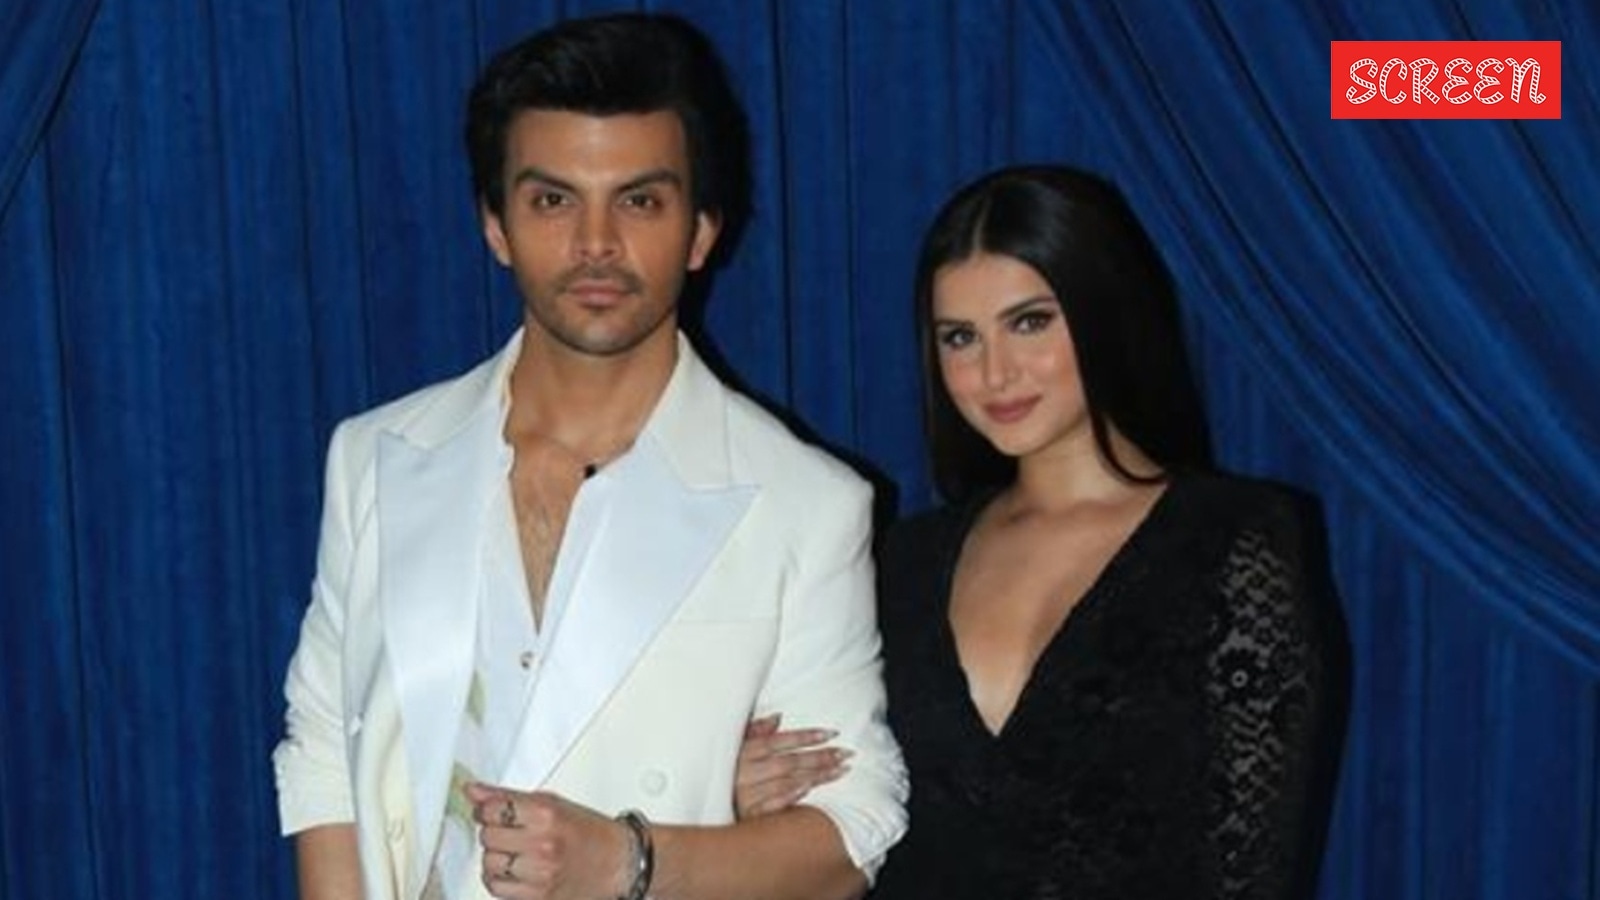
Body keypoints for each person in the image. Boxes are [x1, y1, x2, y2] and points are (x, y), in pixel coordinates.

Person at [272, 13, 907, 900]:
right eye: (553, 200)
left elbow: (852, 832)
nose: (596, 243)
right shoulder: (376, 456)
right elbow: (323, 751)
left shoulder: (805, 502)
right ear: (495, 225)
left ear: (701, 231)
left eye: (639, 201)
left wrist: (626, 859)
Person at [735, 165, 1350, 898]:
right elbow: (844, 819)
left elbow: (1253, 874)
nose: (995, 372)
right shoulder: (902, 560)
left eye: (1029, 322)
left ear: (1104, 314)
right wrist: (745, 791)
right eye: (960, 337)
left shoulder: (1231, 539)